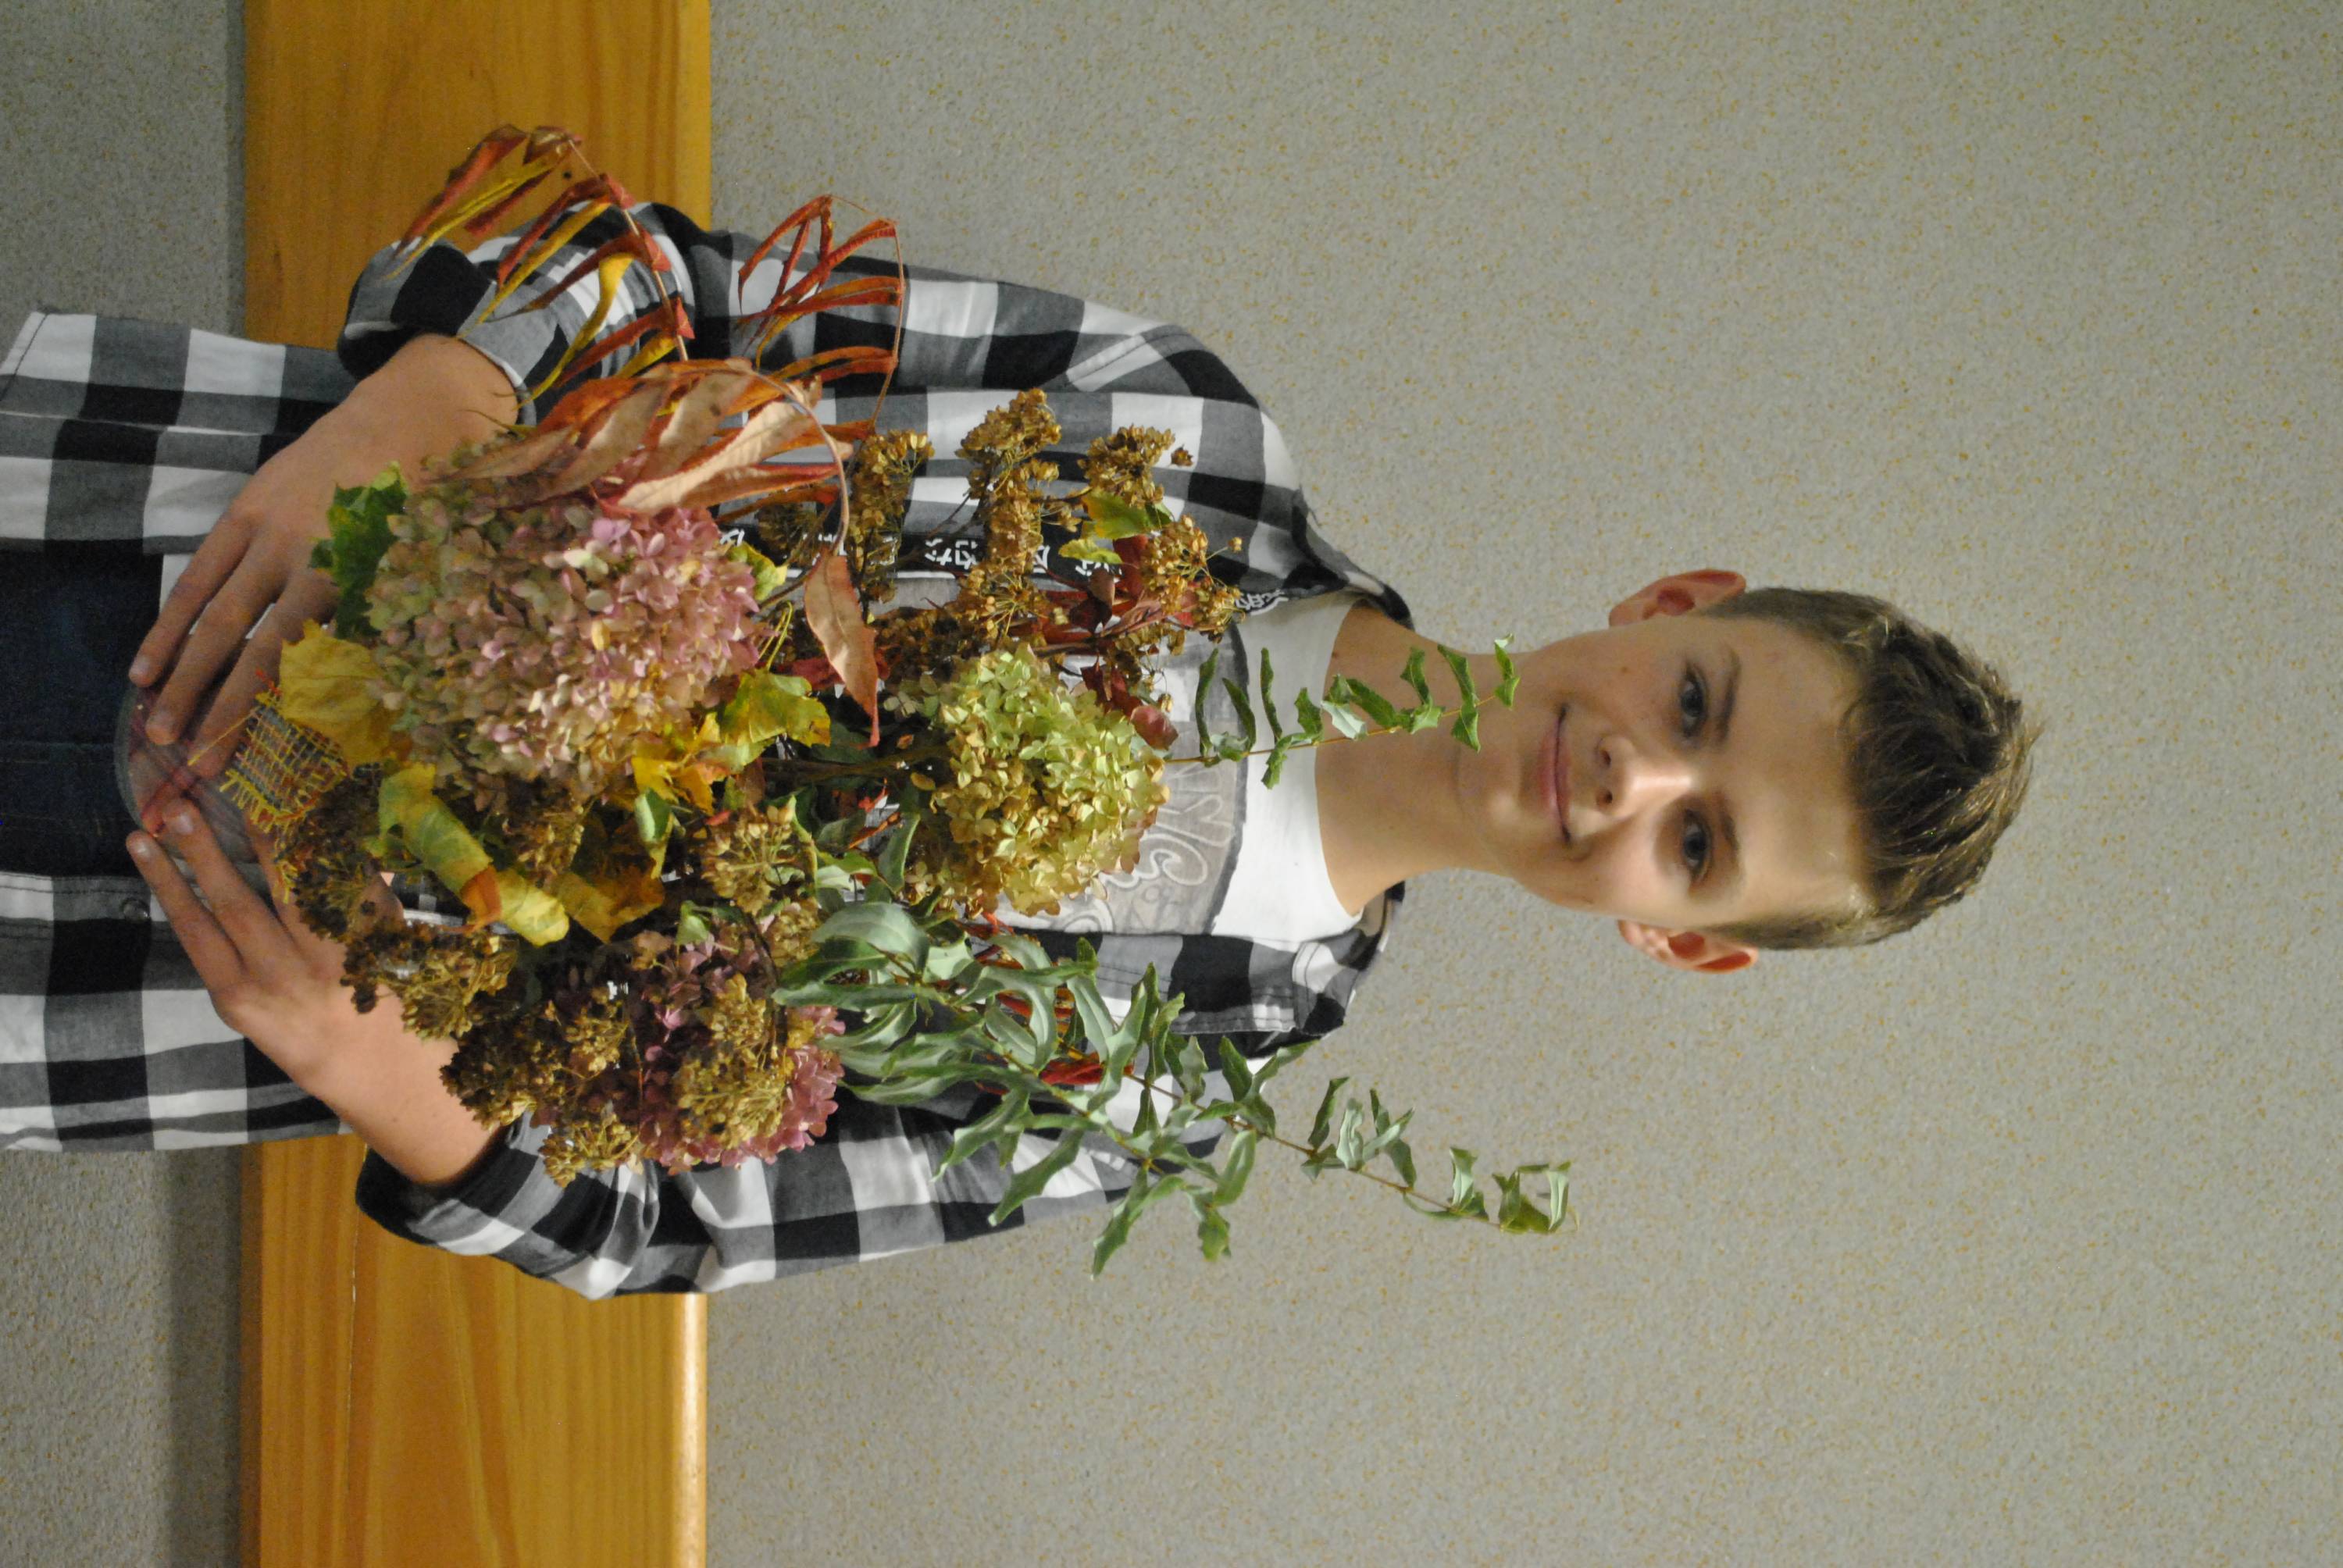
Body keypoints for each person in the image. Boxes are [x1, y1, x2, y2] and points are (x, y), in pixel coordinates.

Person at [0, 202, 2033, 1296]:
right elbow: (675, 281)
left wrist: (392, 1082)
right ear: (1676, 602)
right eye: (1698, 709)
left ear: (1682, 938)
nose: (1634, 781)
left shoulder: (1166, 1084)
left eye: (1701, 845)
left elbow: (665, 1222)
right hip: (123, 512)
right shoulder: (1181, 441)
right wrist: (430, 396)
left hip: (109, 958)